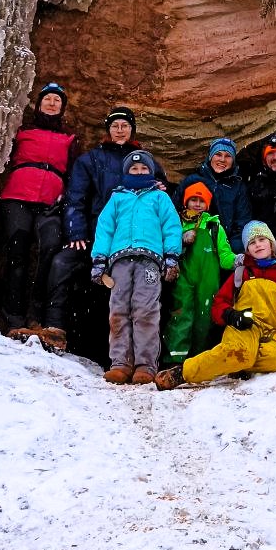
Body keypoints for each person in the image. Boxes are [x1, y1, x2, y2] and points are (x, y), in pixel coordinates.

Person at [46, 105, 167, 359]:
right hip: (96, 235)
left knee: (133, 295)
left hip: (133, 243)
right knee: (62, 263)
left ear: (132, 129)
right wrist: (76, 232)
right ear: (108, 130)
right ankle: (55, 326)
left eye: (125, 126)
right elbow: (75, 198)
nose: (120, 130)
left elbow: (164, 196)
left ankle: (136, 355)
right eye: (115, 126)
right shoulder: (91, 160)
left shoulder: (145, 161)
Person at [155, 220, 276, 389]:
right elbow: (219, 303)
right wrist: (231, 315)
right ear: (247, 250)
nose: (258, 245)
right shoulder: (241, 273)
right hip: (243, 328)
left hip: (270, 331)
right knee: (243, 352)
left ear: (271, 244)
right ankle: (183, 372)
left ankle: (231, 362)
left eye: (262, 240)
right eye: (252, 243)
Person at [91, 150, 182, 384]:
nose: (139, 172)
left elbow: (171, 226)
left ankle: (145, 364)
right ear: (126, 172)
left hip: (150, 260)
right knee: (118, 310)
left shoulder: (160, 198)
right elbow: (104, 229)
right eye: (134, 169)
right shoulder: (117, 198)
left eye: (144, 169)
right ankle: (121, 363)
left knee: (146, 310)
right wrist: (99, 259)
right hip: (119, 261)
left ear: (151, 172)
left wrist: (171, 256)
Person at [0, 82, 77, 348]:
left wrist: (64, 198)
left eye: (57, 100)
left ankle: (36, 314)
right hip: (18, 194)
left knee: (50, 250)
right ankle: (13, 317)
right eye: (48, 99)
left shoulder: (69, 138)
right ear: (39, 103)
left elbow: (74, 173)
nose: (52, 103)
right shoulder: (23, 131)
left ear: (62, 107)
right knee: (17, 254)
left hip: (51, 200)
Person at [161, 180, 236, 366]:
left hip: (208, 280)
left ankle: (200, 361)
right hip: (183, 278)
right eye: (193, 199)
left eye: (201, 201)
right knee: (181, 315)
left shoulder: (214, 226)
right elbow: (166, 246)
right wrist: (181, 241)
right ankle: (175, 360)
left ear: (208, 204)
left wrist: (236, 260)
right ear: (185, 201)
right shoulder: (176, 222)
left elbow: (224, 254)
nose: (197, 204)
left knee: (205, 318)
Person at [176, 137, 252, 253]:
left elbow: (242, 222)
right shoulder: (193, 181)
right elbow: (174, 211)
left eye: (228, 156)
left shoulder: (238, 187)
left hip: (224, 247)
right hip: (190, 245)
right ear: (210, 156)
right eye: (218, 154)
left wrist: (229, 249)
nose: (222, 160)